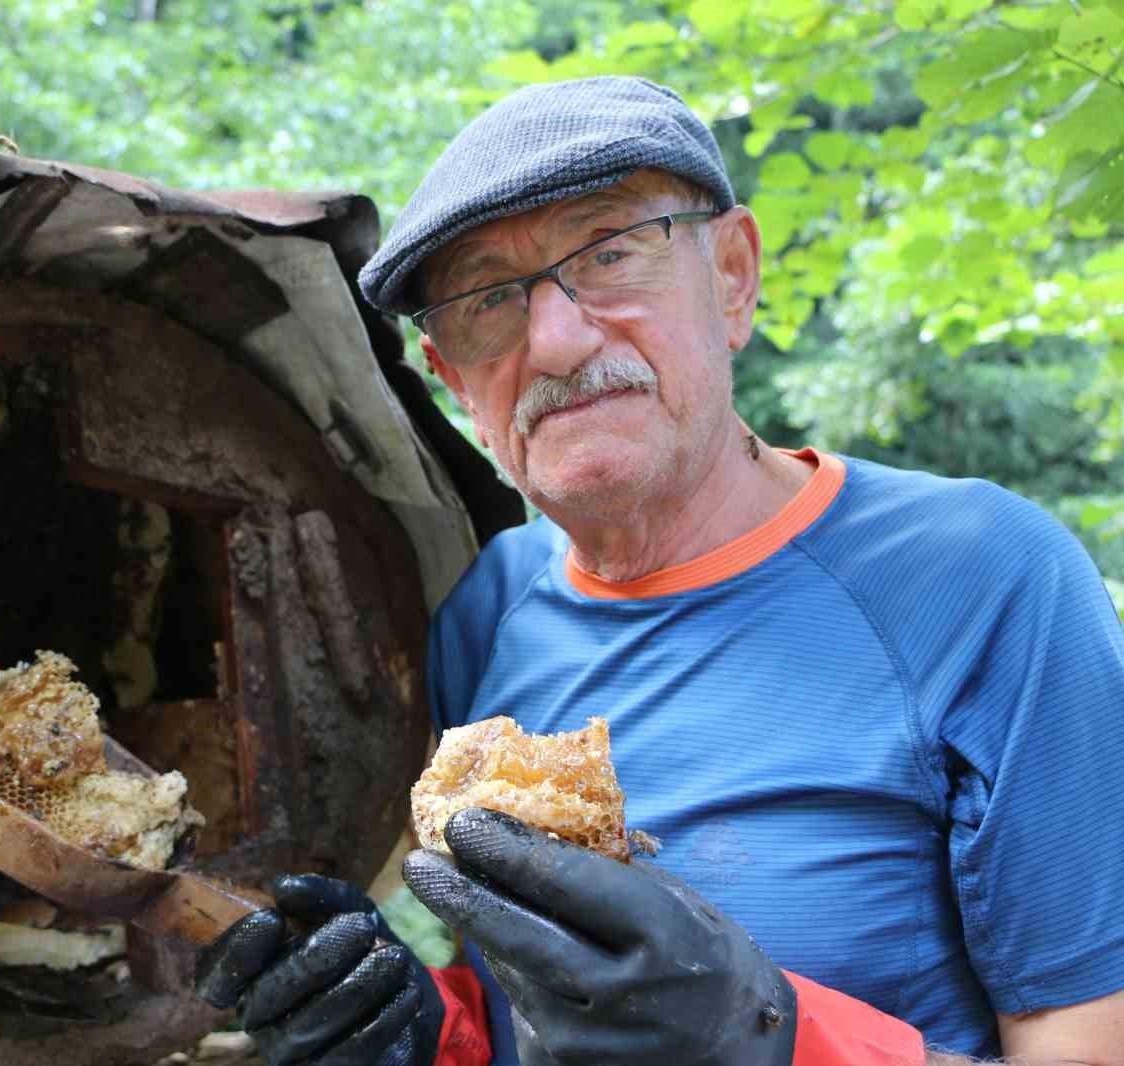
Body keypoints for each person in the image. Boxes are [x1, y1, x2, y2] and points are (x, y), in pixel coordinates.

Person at [194, 76, 1124, 1066]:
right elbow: (552, 1016)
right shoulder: (486, 613)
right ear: (452, 379)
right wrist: (437, 1034)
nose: (552, 339)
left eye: (608, 253)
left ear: (731, 274)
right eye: (487, 298)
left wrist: (769, 1036)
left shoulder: (982, 580)